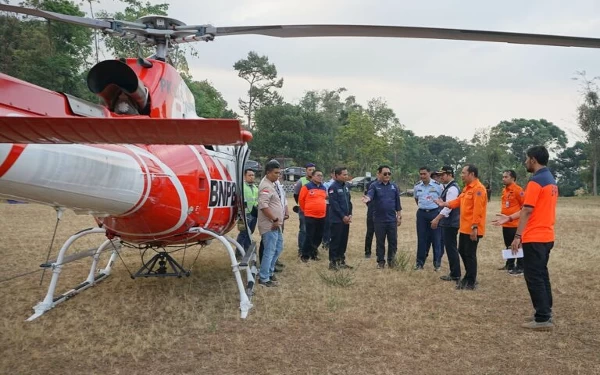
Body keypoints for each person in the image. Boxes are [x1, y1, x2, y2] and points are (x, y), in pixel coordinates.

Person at [494, 146, 558, 331]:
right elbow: (529, 208)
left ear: (533, 159)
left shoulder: (536, 181)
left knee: (534, 277)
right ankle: (546, 311)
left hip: (535, 237)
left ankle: (543, 318)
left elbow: (528, 210)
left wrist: (518, 236)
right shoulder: (550, 180)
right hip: (546, 236)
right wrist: (509, 217)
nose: (525, 162)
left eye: (526, 159)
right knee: (542, 274)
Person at [436, 164, 487, 290]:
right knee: (463, 251)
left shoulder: (478, 189)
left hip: (472, 228)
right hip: (464, 227)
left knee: (469, 254)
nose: (462, 175)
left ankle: (471, 281)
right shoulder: (467, 188)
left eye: (464, 173)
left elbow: (478, 210)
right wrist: (445, 203)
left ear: (472, 174)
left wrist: (474, 227)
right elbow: (458, 201)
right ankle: (468, 277)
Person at [362, 166, 402, 269]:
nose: (387, 175)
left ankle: (391, 261)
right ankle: (380, 261)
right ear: (378, 174)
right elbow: (370, 194)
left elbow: (397, 202)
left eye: (389, 173)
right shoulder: (374, 186)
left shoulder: (394, 186)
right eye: (385, 174)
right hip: (379, 219)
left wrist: (399, 215)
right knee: (380, 242)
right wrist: (368, 198)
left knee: (393, 241)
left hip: (391, 219)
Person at [430, 166, 461, 282]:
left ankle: (455, 274)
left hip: (450, 222)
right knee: (450, 248)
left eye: (442, 175)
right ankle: (454, 272)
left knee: (451, 248)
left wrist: (437, 219)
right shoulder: (448, 187)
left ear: (449, 174)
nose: (440, 177)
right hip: (449, 222)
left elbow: (448, 207)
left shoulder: (452, 189)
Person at [257, 160, 285, 287]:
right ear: (268, 172)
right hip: (270, 224)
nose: (278, 175)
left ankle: (269, 272)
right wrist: (274, 219)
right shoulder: (266, 186)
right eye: (275, 173)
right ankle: (264, 278)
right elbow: (263, 205)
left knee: (278, 248)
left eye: (279, 173)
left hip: (275, 224)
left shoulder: (271, 184)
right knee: (270, 251)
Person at [413, 167, 443, 271]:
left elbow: (442, 199)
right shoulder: (417, 186)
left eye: (424, 174)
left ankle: (437, 264)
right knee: (421, 239)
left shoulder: (438, 186)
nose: (422, 176)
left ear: (429, 173)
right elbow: (416, 199)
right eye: (421, 174)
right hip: (421, 214)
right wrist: (424, 207)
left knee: (436, 239)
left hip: (434, 213)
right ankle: (419, 263)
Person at [498, 169, 525, 275]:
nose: (503, 179)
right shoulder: (504, 190)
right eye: (503, 177)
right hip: (506, 223)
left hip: (515, 223)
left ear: (513, 178)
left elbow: (524, 207)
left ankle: (520, 266)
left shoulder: (518, 190)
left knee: (517, 245)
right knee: (508, 244)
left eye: (506, 177)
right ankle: (509, 264)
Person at [327, 166, 353, 270]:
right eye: (344, 174)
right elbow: (334, 204)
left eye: (347, 174)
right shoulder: (333, 187)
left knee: (343, 241)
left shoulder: (345, 186)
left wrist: (350, 214)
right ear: (337, 176)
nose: (346, 176)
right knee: (336, 241)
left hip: (346, 219)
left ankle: (341, 260)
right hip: (337, 219)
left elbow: (349, 202)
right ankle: (333, 262)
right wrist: (343, 216)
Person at [299, 169, 327, 262]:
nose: (320, 177)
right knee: (309, 235)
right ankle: (305, 255)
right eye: (318, 175)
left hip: (321, 216)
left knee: (319, 236)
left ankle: (313, 253)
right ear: (313, 176)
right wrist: (306, 210)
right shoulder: (306, 187)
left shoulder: (323, 188)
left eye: (321, 176)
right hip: (310, 215)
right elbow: (301, 200)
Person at [293, 163, 316, 256]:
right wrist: (301, 205)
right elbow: (296, 195)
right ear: (306, 171)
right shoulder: (301, 181)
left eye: (313, 169)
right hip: (304, 210)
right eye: (310, 169)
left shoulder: (317, 181)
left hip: (315, 211)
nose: (311, 171)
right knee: (304, 229)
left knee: (314, 230)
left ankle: (311, 249)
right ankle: (301, 249)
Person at [236, 169, 258, 252]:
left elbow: (256, 199)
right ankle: (238, 252)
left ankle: (247, 250)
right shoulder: (241, 187)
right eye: (250, 175)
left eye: (253, 175)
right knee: (243, 233)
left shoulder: (255, 187)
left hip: (253, 213)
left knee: (250, 232)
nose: (252, 177)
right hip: (244, 214)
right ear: (245, 176)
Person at [363, 175, 378, 259]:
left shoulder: (390, 184)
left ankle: (379, 252)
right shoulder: (370, 184)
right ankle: (367, 252)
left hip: (382, 213)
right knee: (370, 232)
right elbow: (366, 197)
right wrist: (370, 206)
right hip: (372, 211)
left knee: (381, 234)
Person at [321, 169, 336, 250]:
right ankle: (326, 241)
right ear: (331, 174)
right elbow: (324, 195)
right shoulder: (327, 184)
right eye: (334, 173)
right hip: (328, 205)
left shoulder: (342, 184)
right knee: (327, 224)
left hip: (337, 206)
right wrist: (334, 196)